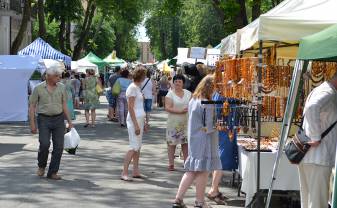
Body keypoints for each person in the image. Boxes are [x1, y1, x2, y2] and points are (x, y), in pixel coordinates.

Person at [172, 75, 222, 208]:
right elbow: (208, 127)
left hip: (194, 138)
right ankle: (200, 202)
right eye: (216, 87)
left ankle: (178, 199)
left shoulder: (194, 99)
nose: (217, 90)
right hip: (204, 140)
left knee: (192, 170)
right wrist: (220, 126)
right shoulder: (207, 103)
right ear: (211, 87)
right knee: (202, 171)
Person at [29, 61, 73, 180]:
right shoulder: (38, 88)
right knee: (44, 144)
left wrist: (70, 121)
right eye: (57, 76)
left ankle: (52, 172)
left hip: (59, 119)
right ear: (49, 76)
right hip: (43, 119)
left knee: (59, 146)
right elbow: (32, 106)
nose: (59, 78)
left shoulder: (62, 87)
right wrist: (32, 124)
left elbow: (64, 105)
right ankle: (41, 165)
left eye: (59, 76)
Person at [298, 73, 337, 208]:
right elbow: (311, 108)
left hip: (310, 156)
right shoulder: (329, 93)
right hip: (319, 158)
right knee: (317, 203)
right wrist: (315, 137)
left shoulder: (320, 89)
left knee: (309, 201)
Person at [121, 66, 148, 181]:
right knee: (133, 147)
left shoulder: (137, 87)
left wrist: (145, 122)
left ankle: (135, 171)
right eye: (144, 75)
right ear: (141, 76)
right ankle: (124, 172)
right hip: (134, 120)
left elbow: (139, 106)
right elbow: (131, 108)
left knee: (138, 147)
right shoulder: (132, 88)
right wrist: (136, 125)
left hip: (139, 119)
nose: (145, 77)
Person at [165, 74, 191, 171]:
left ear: (183, 83)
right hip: (174, 123)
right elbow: (167, 107)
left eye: (179, 82)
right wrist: (179, 111)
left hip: (186, 122)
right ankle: (171, 164)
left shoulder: (188, 93)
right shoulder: (170, 94)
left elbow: (193, 105)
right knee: (172, 144)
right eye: (176, 81)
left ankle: (187, 163)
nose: (177, 83)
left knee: (185, 144)